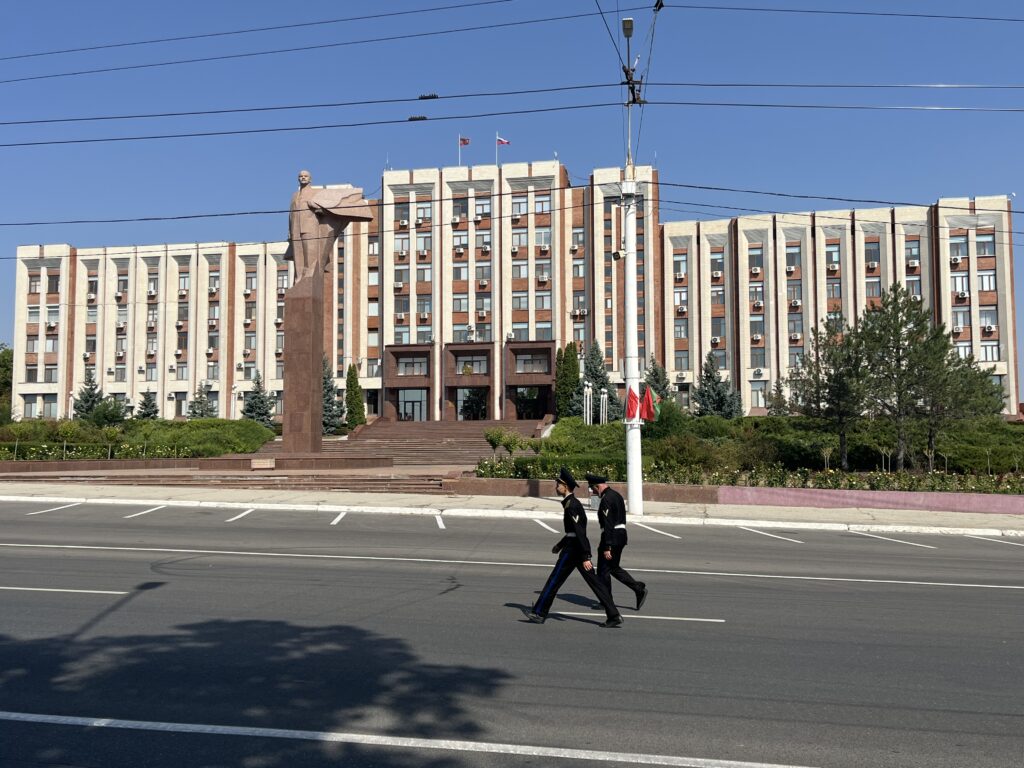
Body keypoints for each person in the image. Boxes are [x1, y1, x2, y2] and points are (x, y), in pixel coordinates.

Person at [525, 467, 623, 628]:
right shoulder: (570, 504)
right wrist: (559, 545)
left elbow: (579, 532)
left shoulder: (572, 505)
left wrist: (586, 556)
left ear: (565, 486)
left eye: (558, 485)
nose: (556, 487)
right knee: (596, 583)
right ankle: (614, 615)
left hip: (574, 550)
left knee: (554, 580)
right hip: (575, 548)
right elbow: (573, 532)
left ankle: (539, 612)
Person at [287, 169, 372, 282]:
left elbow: (325, 209)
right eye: (301, 176)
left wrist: (317, 208)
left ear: (310, 179)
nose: (303, 178)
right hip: (295, 228)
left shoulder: (316, 193)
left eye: (305, 176)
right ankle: (298, 278)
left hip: (310, 227)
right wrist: (289, 230)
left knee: (310, 255)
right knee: (298, 256)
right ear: (298, 179)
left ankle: (309, 277)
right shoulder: (294, 195)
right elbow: (290, 214)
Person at [585, 473, 648, 611]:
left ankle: (607, 601)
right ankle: (638, 588)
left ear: (597, 486)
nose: (593, 492)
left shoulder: (606, 499)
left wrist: (607, 546)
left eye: (593, 489)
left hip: (611, 537)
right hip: (620, 536)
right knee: (613, 568)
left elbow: (608, 523)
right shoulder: (616, 495)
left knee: (603, 570)